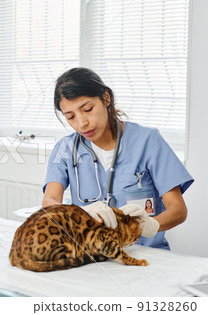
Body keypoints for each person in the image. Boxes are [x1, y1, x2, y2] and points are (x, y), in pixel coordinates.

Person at [42, 67, 193, 250]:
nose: (81, 123)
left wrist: (151, 226)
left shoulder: (148, 141)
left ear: (106, 98)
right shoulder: (65, 149)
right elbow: (49, 202)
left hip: (147, 255)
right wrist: (77, 213)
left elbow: (178, 210)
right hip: (91, 256)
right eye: (71, 117)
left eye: (88, 109)